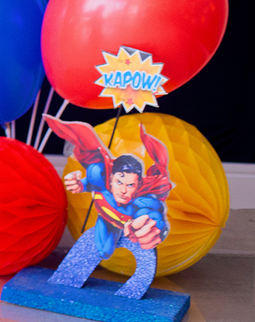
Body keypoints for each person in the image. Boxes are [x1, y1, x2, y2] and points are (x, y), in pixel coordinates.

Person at [42, 115, 172, 300]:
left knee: (118, 247)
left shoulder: (142, 200)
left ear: (138, 186)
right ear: (111, 179)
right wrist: (79, 184)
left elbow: (151, 211)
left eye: (130, 185)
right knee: (103, 250)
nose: (124, 190)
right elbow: (90, 183)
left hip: (128, 231)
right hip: (105, 221)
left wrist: (154, 226)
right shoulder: (100, 180)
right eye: (120, 182)